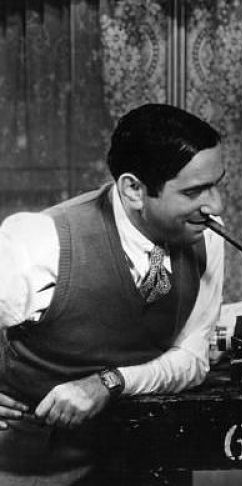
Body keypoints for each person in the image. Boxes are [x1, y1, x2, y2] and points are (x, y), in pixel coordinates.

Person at [0, 104, 225, 484]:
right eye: (194, 191)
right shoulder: (37, 243)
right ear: (134, 189)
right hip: (30, 467)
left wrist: (111, 381)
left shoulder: (206, 235)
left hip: (142, 459)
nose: (216, 205)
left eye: (217, 184)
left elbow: (191, 360)